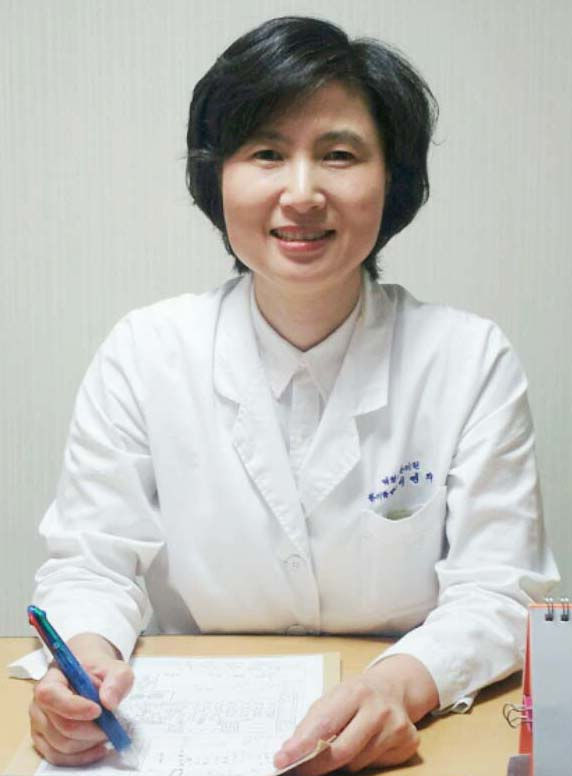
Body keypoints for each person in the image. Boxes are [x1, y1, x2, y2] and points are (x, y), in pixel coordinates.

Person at [28, 15, 558, 774]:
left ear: (393, 179)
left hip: (409, 732)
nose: (302, 193)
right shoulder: (144, 352)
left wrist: (398, 687)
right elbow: (92, 564)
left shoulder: (468, 359)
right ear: (216, 176)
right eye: (267, 153)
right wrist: (83, 668)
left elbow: (501, 589)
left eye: (339, 155)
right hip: (181, 735)